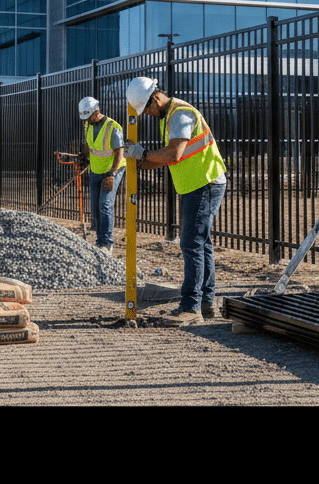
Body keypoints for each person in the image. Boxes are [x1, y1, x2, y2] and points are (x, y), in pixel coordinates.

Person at [124, 77, 227, 326]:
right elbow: (165, 158)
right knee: (201, 244)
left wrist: (144, 153)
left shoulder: (180, 114)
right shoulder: (170, 115)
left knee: (191, 243)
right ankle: (206, 303)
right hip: (200, 183)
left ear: (156, 98)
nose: (148, 114)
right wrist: (137, 159)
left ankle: (191, 307)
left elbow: (174, 152)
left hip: (204, 183)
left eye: (147, 109)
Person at [79, 96, 124, 256]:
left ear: (96, 111)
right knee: (95, 207)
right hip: (95, 169)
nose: (87, 120)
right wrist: (83, 155)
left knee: (105, 204)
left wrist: (112, 174)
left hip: (112, 170)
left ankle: (107, 244)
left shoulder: (112, 126)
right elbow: (92, 147)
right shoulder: (87, 125)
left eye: (88, 116)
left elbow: (119, 152)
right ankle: (99, 243)